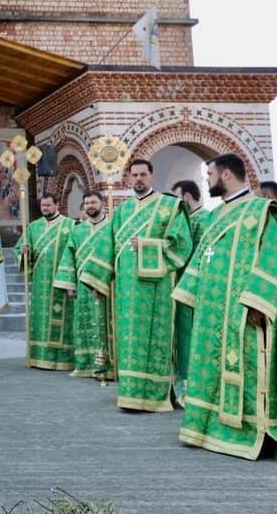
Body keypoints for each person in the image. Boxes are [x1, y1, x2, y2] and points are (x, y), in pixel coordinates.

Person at [173, 153, 277, 460]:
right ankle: (207, 427)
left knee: (245, 368)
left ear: (227, 175)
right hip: (211, 310)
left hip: (242, 310)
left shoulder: (261, 211)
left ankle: (249, 431)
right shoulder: (216, 215)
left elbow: (275, 256)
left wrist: (259, 301)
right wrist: (189, 295)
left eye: (210, 175)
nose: (207, 180)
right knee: (208, 367)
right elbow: (203, 257)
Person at [79, 158, 193, 412]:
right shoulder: (121, 211)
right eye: (135, 175)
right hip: (126, 291)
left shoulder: (170, 206)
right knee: (129, 340)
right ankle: (130, 394)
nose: (139, 179)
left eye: (143, 174)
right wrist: (99, 281)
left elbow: (182, 245)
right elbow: (108, 246)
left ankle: (155, 394)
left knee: (156, 340)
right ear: (128, 179)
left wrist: (149, 247)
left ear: (152, 177)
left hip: (158, 290)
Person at [15, 192, 76, 371]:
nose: (45, 209)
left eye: (48, 205)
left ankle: (62, 360)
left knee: (63, 320)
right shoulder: (33, 227)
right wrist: (24, 252)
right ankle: (38, 357)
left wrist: (71, 281)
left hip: (61, 281)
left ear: (57, 205)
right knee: (40, 319)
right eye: (43, 206)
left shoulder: (70, 225)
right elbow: (21, 248)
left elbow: (74, 252)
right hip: (41, 283)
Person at [54, 191, 110, 378]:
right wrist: (70, 284)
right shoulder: (77, 230)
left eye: (93, 202)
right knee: (84, 324)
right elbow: (69, 256)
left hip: (105, 285)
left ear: (102, 203)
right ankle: (86, 364)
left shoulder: (111, 227)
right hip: (82, 285)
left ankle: (106, 365)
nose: (90, 206)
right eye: (86, 203)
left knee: (105, 324)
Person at [171, 179, 212, 402]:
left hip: (196, 288)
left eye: (178, 197)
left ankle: (191, 385)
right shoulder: (187, 220)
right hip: (181, 285)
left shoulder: (205, 219)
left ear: (186, 197)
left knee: (191, 337)